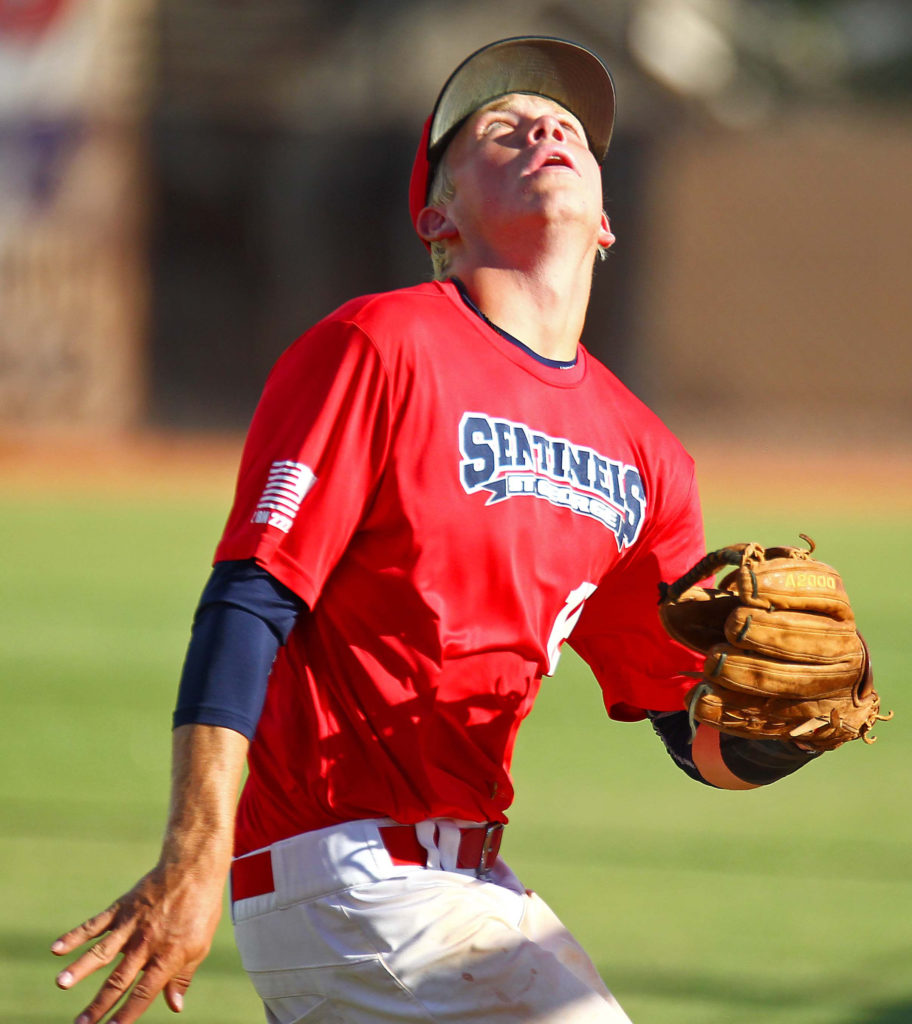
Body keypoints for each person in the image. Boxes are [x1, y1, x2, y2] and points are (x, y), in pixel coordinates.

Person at [52, 36, 820, 1024]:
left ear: (607, 223)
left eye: (569, 131)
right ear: (437, 216)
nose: (544, 128)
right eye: (498, 131)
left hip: (468, 888)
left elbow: (688, 725)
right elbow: (250, 597)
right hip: (347, 882)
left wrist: (783, 729)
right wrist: (194, 858)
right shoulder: (381, 344)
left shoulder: (647, 456)